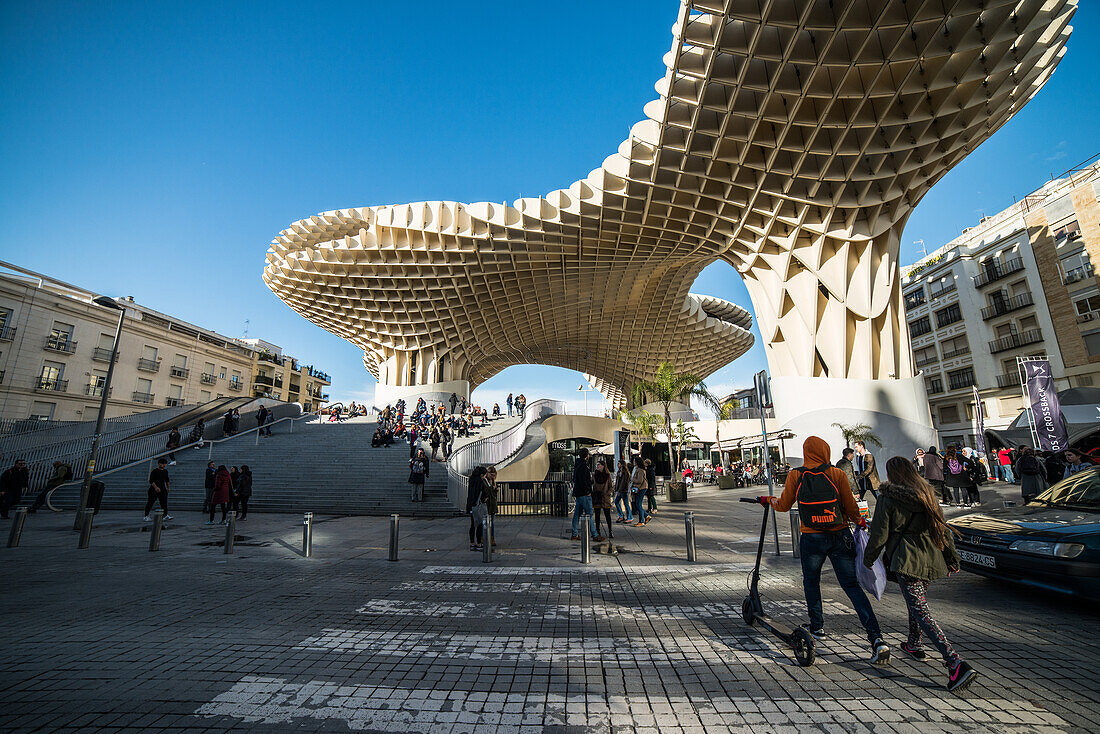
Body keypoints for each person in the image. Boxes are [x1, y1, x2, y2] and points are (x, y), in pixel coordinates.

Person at [763, 435, 890, 664]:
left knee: (811, 582)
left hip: (811, 538)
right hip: (839, 536)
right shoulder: (836, 474)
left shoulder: (796, 475)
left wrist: (768, 499)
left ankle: (817, 626)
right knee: (851, 586)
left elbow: (783, 506)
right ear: (826, 451)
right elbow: (852, 509)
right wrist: (861, 523)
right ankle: (876, 639)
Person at [863, 457, 977, 693]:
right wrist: (951, 558)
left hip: (908, 559)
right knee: (916, 603)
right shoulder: (927, 493)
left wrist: (868, 559)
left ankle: (955, 662)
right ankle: (914, 644)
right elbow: (942, 529)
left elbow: (879, 533)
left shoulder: (888, 498)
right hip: (931, 556)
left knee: (920, 610)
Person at [570, 448, 599, 541]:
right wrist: (588, 491)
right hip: (584, 494)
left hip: (579, 493)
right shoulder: (583, 466)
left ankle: (574, 534)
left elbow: (576, 479)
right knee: (589, 514)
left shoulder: (577, 465)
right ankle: (594, 534)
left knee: (577, 514)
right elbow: (584, 481)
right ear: (586, 455)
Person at [466, 465, 489, 550]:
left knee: (472, 524)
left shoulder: (471, 479)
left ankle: (472, 542)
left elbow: (470, 494)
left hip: (471, 505)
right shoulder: (481, 481)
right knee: (479, 524)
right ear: (482, 474)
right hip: (478, 505)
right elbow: (482, 493)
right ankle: (479, 542)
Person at [591, 459, 614, 541]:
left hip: (605, 497)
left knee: (607, 515)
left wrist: (608, 493)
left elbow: (611, 486)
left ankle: (610, 530)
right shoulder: (594, 475)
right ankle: (597, 531)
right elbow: (591, 483)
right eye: (597, 465)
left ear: (603, 466)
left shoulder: (607, 475)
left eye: (599, 465)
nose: (597, 466)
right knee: (597, 516)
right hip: (597, 497)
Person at [613, 457, 633, 524]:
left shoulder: (625, 472)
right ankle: (621, 515)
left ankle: (629, 517)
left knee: (626, 503)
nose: (617, 465)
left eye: (618, 463)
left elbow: (623, 482)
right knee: (617, 502)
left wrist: (619, 490)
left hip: (623, 490)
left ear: (622, 464)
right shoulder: (619, 471)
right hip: (621, 490)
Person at [630, 458, 649, 526]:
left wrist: (632, 479)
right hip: (640, 488)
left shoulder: (640, 470)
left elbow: (640, 480)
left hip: (641, 488)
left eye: (634, 461)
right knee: (637, 504)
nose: (633, 462)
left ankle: (641, 521)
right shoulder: (637, 469)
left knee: (638, 504)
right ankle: (646, 516)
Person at [484, 465, 498, 547]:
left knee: (491, 522)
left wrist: (495, 490)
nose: (493, 476)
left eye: (494, 475)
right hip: (487, 504)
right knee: (486, 522)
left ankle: (492, 538)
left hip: (492, 504)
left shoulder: (493, 481)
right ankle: (485, 538)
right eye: (491, 474)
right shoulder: (485, 481)